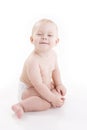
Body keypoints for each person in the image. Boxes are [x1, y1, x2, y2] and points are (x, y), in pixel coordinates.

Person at [12, 18, 66, 119]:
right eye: (39, 34)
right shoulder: (33, 60)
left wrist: (59, 84)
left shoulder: (53, 55)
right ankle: (21, 105)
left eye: (49, 35)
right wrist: (52, 98)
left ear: (56, 41)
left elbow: (55, 70)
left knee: (56, 92)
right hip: (28, 89)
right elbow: (38, 84)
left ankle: (52, 97)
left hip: (44, 85)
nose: (44, 37)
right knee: (46, 104)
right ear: (32, 39)